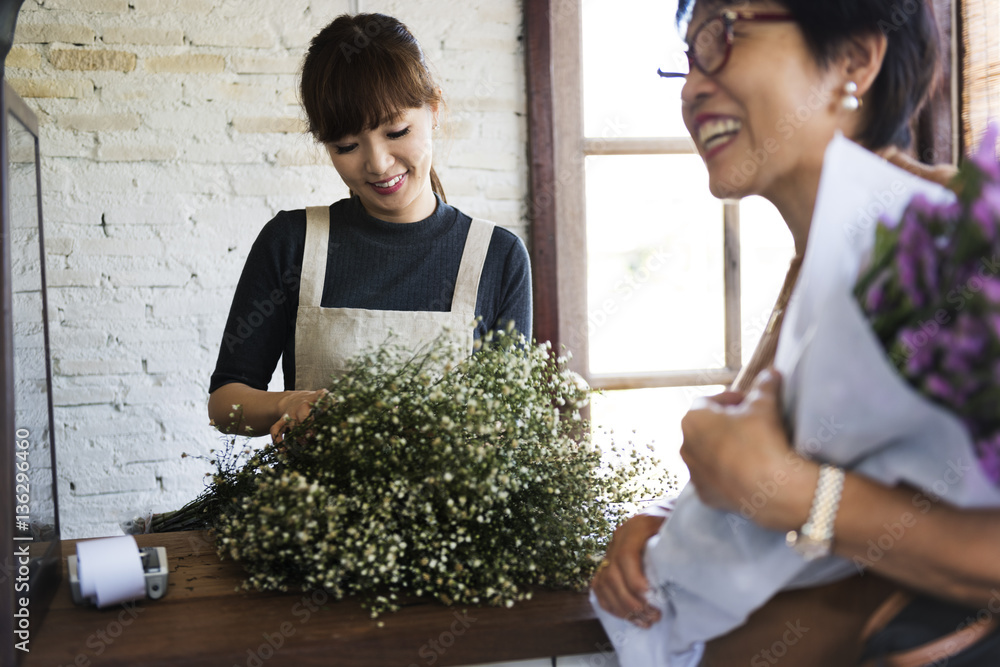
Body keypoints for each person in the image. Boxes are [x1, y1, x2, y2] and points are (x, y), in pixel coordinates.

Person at [591, 0, 1000, 664]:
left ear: (855, 59)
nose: (694, 86)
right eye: (688, 59)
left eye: (723, 36)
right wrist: (666, 514)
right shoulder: (814, 265)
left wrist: (799, 496)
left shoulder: (952, 255)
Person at [207, 13, 532, 442]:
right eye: (346, 146)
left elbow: (510, 431)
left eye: (396, 131)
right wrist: (288, 404)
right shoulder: (292, 243)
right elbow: (226, 401)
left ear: (433, 110)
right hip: (312, 508)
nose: (377, 163)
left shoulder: (497, 257)